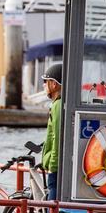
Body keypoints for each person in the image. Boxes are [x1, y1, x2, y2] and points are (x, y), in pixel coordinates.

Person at [40, 63, 63, 202]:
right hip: (57, 164)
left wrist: (52, 165)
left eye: (45, 81)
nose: (43, 85)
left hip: (56, 167)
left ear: (54, 84)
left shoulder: (57, 105)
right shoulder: (59, 104)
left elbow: (57, 137)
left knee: (52, 204)